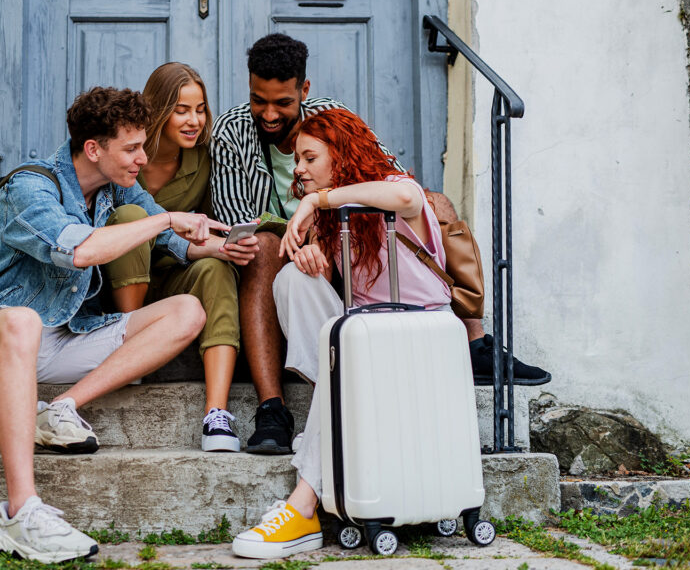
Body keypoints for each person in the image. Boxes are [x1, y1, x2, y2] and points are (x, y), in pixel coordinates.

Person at [211, 35, 548, 456]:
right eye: (259, 100)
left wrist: (319, 203)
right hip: (281, 243)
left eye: (282, 101)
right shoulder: (231, 131)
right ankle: (274, 407)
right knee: (267, 249)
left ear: (304, 90)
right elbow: (238, 219)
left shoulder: (333, 121)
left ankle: (473, 339)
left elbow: (392, 179)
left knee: (435, 201)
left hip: (344, 231)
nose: (269, 112)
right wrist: (301, 229)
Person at [0, 87, 229, 563]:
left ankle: (60, 409)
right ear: (94, 149)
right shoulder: (30, 188)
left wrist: (223, 247)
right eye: (132, 147)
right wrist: (162, 223)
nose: (143, 157)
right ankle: (22, 514)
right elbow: (78, 250)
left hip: (64, 338)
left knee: (187, 311)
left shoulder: (119, 184)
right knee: (23, 323)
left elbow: (174, 241)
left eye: (143, 145)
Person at [231, 108, 453, 559]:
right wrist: (314, 257)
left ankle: (303, 508)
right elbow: (341, 283)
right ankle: (339, 416)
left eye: (310, 158)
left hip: (416, 339)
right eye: (297, 160)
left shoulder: (392, 190)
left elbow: (410, 197)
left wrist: (318, 201)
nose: (298, 169)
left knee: (353, 353)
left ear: (342, 156)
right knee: (292, 279)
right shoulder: (336, 224)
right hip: (363, 343)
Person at [103, 62, 259, 452]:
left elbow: (207, 225)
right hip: (118, 283)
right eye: (181, 110)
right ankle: (129, 350)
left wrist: (224, 243)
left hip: (176, 282)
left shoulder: (205, 158)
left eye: (200, 109)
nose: (194, 120)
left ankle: (216, 413)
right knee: (132, 218)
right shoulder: (124, 154)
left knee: (214, 266)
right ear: (157, 111)